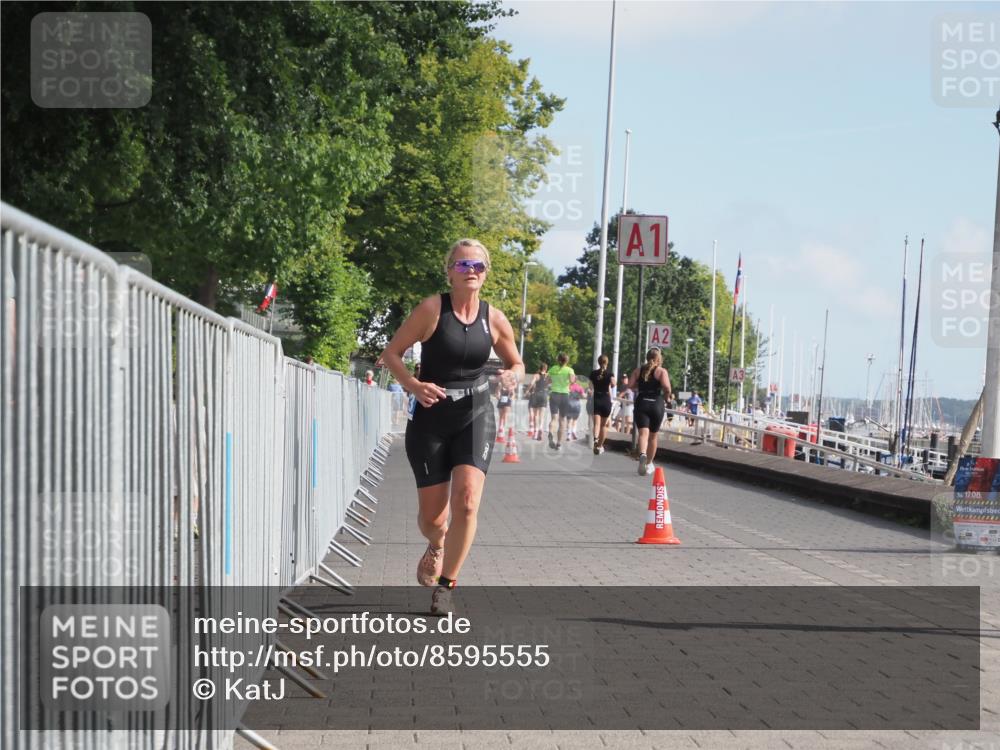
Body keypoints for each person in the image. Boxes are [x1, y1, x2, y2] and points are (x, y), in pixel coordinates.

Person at [380, 239, 524, 615]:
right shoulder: (432, 309)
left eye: (478, 266)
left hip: (476, 414)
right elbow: (391, 354)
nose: (471, 271)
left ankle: (446, 586)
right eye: (463, 265)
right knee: (433, 520)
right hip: (431, 418)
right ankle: (437, 543)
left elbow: (518, 362)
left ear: (486, 273)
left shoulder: (494, 318)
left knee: (467, 501)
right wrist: (413, 385)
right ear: (450, 272)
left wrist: (513, 374)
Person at [629, 348, 673, 476]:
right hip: (656, 404)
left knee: (643, 434)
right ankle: (648, 464)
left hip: (642, 402)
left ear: (647, 357)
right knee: (653, 436)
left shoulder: (638, 371)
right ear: (659, 358)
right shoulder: (661, 371)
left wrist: (640, 386)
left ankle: (642, 454)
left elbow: (630, 386)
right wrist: (667, 397)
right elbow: (667, 387)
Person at [546, 353, 575, 450]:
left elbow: (547, 381)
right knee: (562, 420)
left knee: (554, 418)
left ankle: (551, 432)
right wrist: (572, 379)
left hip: (554, 394)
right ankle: (558, 443)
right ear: (567, 361)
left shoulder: (553, 368)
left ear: (558, 360)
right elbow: (572, 381)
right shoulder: (569, 370)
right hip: (564, 395)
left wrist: (555, 379)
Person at [589, 354, 615, 455]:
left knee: (596, 424)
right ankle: (599, 446)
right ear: (607, 363)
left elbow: (590, 387)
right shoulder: (609, 374)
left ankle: (596, 439)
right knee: (604, 426)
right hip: (606, 400)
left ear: (598, 362)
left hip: (596, 399)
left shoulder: (593, 373)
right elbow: (614, 384)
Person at [527, 363, 550, 440]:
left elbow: (531, 383)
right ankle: (540, 428)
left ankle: (536, 433)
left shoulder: (536, 375)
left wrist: (527, 391)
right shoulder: (548, 376)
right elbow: (551, 383)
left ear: (540, 368)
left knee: (536, 415)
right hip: (544, 395)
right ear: (546, 369)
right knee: (541, 416)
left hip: (536, 394)